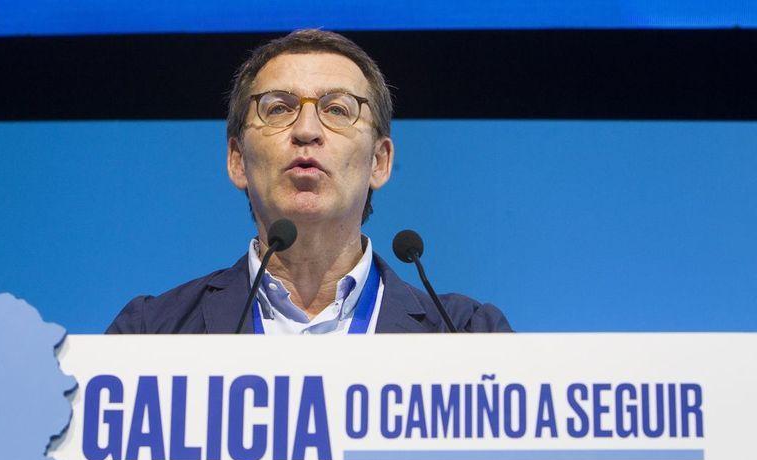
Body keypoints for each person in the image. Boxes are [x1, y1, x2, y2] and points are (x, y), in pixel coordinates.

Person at [106, 29, 511, 335]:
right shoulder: (153, 333)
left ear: (380, 161)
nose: (306, 130)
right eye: (278, 108)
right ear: (237, 161)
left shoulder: (465, 335)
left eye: (337, 109)